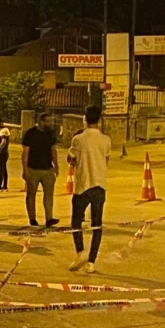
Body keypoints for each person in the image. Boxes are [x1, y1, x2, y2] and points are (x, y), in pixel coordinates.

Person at [67, 105, 111, 273]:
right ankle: (91, 262)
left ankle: (80, 251)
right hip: (100, 185)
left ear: (84, 119)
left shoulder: (78, 139)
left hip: (83, 185)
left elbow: (71, 159)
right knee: (96, 224)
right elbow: (106, 161)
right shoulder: (106, 140)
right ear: (99, 120)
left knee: (76, 222)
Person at [22, 113, 60, 227]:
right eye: (47, 121)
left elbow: (53, 150)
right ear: (41, 121)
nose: (50, 124)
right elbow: (25, 153)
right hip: (33, 169)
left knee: (49, 195)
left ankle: (49, 218)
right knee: (31, 195)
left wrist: (56, 165)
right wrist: (25, 169)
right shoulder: (30, 133)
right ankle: (32, 218)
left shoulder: (50, 133)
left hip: (47, 169)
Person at [0, 121, 11, 190]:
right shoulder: (3, 130)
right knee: (3, 169)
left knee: (0, 169)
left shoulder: (4, 130)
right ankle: (4, 185)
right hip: (4, 152)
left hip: (2, 153)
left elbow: (3, 142)